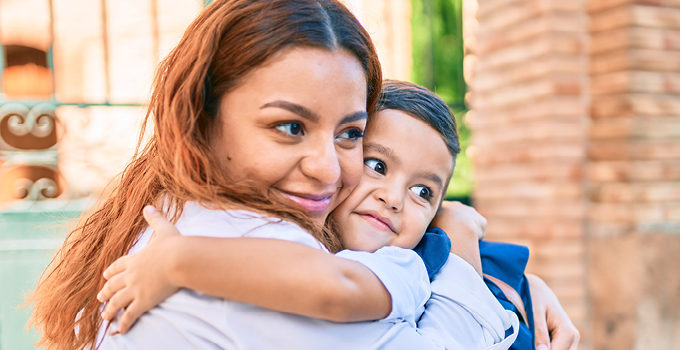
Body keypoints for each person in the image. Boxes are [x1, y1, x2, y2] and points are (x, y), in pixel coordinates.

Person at [28, 0, 578, 349]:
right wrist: (462, 246)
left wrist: (515, 286)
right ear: (201, 116)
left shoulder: (198, 219)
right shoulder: (240, 248)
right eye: (290, 127)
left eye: (348, 134)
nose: (327, 169)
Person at [96, 79, 519, 349]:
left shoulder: (402, 264)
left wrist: (179, 261)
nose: (393, 198)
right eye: (376, 165)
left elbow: (335, 288)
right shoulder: (264, 237)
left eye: (422, 191)